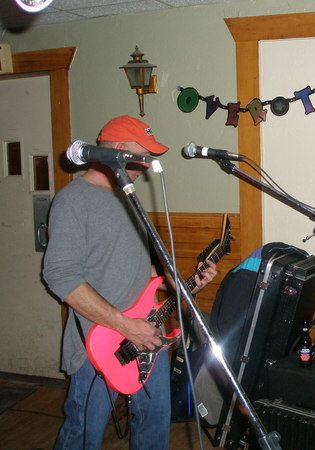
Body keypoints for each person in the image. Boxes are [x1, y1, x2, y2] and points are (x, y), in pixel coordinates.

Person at [43, 115, 217, 450]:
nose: (148, 163)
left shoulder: (129, 198)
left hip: (148, 335)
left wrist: (188, 283)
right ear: (118, 150)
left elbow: (144, 272)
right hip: (98, 344)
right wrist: (125, 326)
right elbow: (60, 275)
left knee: (153, 428)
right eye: (143, 154)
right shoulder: (73, 201)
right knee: (82, 436)